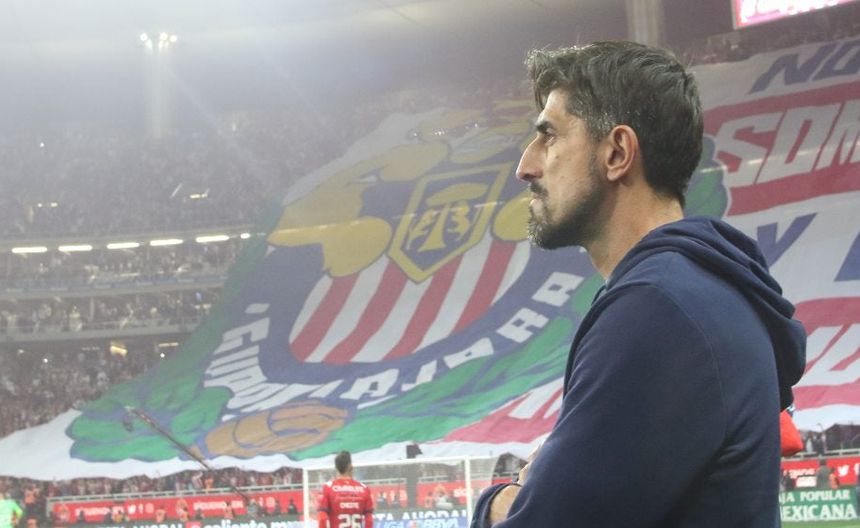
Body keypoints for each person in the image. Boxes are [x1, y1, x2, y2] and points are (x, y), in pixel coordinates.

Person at [470, 41, 806, 527]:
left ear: (617, 153)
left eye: (549, 136)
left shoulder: (659, 310)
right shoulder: (698, 290)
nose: (526, 165)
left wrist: (498, 504)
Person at [317, 451, 373, 528]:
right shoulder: (364, 488)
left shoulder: (328, 487)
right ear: (351, 466)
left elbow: (322, 519)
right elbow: (369, 520)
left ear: (336, 467)